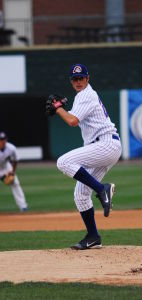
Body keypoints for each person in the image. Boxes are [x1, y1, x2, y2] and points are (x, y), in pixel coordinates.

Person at [46, 63, 122, 250]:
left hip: (105, 143)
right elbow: (71, 115)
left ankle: (102, 189)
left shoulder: (86, 94)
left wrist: (57, 108)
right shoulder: (83, 96)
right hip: (104, 146)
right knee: (80, 195)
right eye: (75, 79)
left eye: (81, 78)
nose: (78, 81)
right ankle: (93, 236)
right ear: (71, 82)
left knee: (63, 162)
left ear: (87, 79)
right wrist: (61, 108)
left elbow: (72, 120)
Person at [0, 132, 28, 212]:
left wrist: (12, 171)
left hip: (5, 167)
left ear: (6, 140)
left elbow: (15, 160)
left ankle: (23, 206)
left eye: (3, 139)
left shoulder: (11, 148)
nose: (2, 141)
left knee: (15, 183)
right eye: (0, 140)